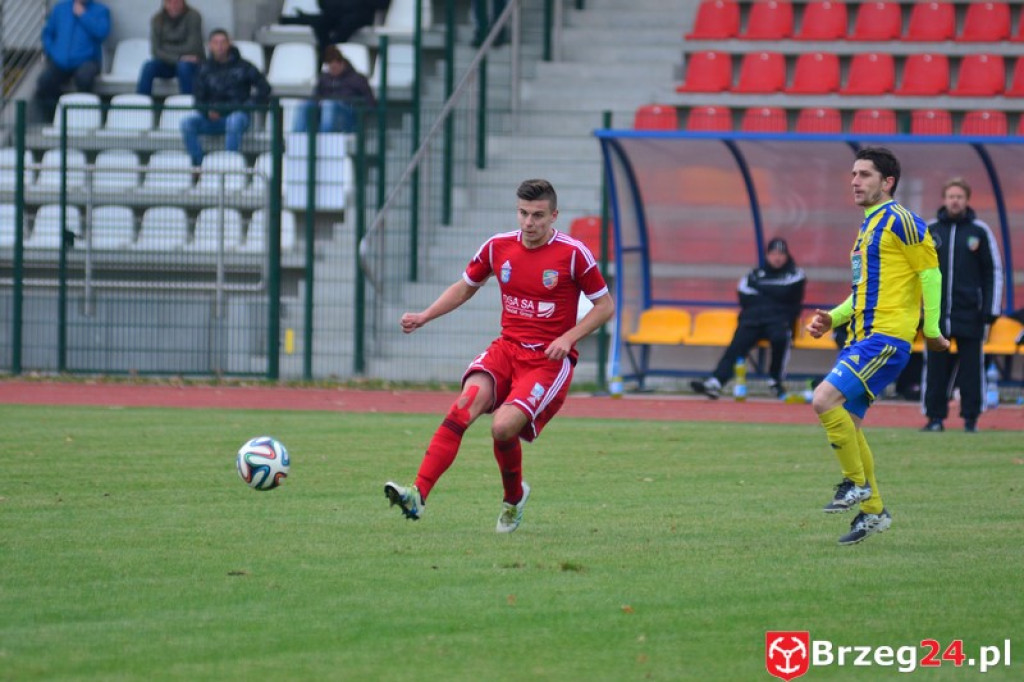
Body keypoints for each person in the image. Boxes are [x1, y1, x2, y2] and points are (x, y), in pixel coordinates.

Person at [384, 179, 614, 533]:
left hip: (546, 363)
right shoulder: (497, 247)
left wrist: (568, 338)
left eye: (538, 216)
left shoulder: (573, 254)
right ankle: (418, 494)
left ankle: (513, 498)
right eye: (523, 213)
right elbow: (465, 287)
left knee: (503, 428)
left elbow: (604, 306)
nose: (528, 223)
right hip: (506, 350)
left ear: (554, 216)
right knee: (462, 407)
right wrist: (425, 315)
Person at [806, 147, 949, 546]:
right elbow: (864, 294)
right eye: (853, 174)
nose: (855, 181)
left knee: (823, 400)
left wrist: (933, 329)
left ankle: (855, 484)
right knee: (847, 424)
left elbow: (931, 273)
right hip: (862, 338)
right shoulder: (868, 227)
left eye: (865, 174)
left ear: (887, 182)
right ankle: (873, 512)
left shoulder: (902, 220)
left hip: (885, 339)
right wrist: (831, 319)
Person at [920, 178, 1003, 433]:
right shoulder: (930, 230)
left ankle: (970, 419)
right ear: (944, 199)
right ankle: (935, 418)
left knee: (971, 370)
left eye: (960, 196)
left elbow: (993, 271)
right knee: (935, 368)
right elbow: (917, 271)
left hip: (971, 313)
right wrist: (919, 308)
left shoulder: (979, 231)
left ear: (967, 200)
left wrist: (990, 310)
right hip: (937, 314)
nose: (955, 200)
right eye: (951, 196)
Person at [690, 237, 806, 400]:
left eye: (781, 254)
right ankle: (716, 382)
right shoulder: (754, 273)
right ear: (767, 255)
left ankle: (775, 381)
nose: (777, 257)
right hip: (753, 320)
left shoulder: (795, 274)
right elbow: (744, 295)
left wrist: (761, 289)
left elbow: (787, 292)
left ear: (787, 256)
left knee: (781, 339)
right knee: (737, 345)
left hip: (780, 320)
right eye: (773, 253)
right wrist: (774, 294)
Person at [179, 29, 271, 168]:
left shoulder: (244, 66)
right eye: (216, 43)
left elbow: (265, 88)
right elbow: (198, 99)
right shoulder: (204, 68)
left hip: (237, 116)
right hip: (212, 119)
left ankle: (229, 166)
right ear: (210, 45)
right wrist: (207, 111)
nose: (220, 46)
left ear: (229, 44)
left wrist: (246, 106)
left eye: (223, 42)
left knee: (234, 120)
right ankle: (198, 166)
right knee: (187, 123)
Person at [34, 0, 111, 121]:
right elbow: (47, 34)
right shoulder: (60, 9)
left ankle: (83, 119)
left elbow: (102, 32)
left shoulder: (100, 10)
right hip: (61, 61)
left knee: (84, 78)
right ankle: (55, 119)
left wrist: (83, 15)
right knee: (45, 82)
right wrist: (53, 52)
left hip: (87, 60)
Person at [292, 45, 376, 134]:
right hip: (324, 112)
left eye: (334, 68)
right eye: (330, 68)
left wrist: (353, 106)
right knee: (304, 105)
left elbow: (370, 103)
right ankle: (297, 137)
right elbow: (315, 97)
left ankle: (326, 137)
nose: (332, 71)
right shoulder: (324, 78)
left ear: (342, 64)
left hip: (349, 116)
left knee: (329, 104)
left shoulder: (358, 79)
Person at [137, 0, 205, 96]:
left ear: (183, 2)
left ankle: (188, 102)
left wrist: (166, 48)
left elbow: (192, 47)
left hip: (191, 64)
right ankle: (141, 104)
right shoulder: (157, 19)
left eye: (177, 2)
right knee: (148, 66)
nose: (173, 5)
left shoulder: (193, 16)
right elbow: (156, 51)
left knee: (183, 66)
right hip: (168, 63)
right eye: (169, 2)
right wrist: (178, 58)